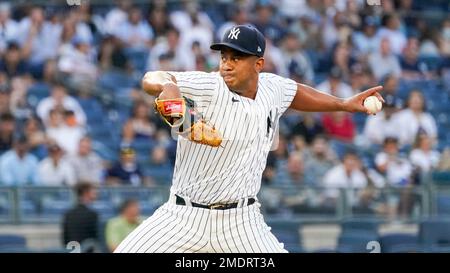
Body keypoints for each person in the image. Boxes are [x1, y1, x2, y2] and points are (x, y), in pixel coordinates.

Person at [115, 25, 384, 253]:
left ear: (258, 64)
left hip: (241, 221)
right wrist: (168, 86)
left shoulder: (272, 87)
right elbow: (151, 78)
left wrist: (343, 104)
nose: (226, 64)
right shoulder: (210, 85)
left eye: (236, 57)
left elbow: (295, 93)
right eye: (224, 57)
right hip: (183, 216)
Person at [62, 182, 99, 252]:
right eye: (93, 191)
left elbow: (65, 239)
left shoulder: (68, 214)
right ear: (86, 193)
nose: (96, 194)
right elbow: (95, 238)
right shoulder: (92, 214)